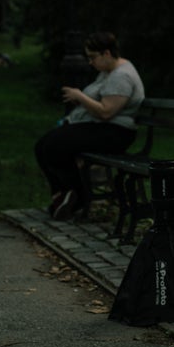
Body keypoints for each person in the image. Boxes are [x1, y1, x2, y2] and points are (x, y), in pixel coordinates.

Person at [34, 32, 145, 220]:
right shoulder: (107, 73)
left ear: (107, 54)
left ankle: (77, 194)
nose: (90, 62)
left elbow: (106, 112)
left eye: (93, 57)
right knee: (42, 146)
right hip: (100, 127)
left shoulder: (122, 76)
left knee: (56, 145)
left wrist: (79, 97)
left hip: (115, 133)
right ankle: (62, 194)